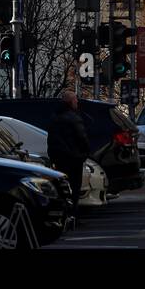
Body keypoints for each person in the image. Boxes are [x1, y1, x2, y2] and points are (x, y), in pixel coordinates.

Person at [47, 92, 89, 220]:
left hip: (59, 158)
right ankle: (72, 214)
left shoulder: (55, 117)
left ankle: (64, 213)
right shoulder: (74, 117)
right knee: (74, 187)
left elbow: (51, 139)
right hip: (74, 158)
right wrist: (84, 153)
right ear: (71, 102)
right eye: (75, 100)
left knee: (62, 188)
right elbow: (82, 138)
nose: (77, 102)